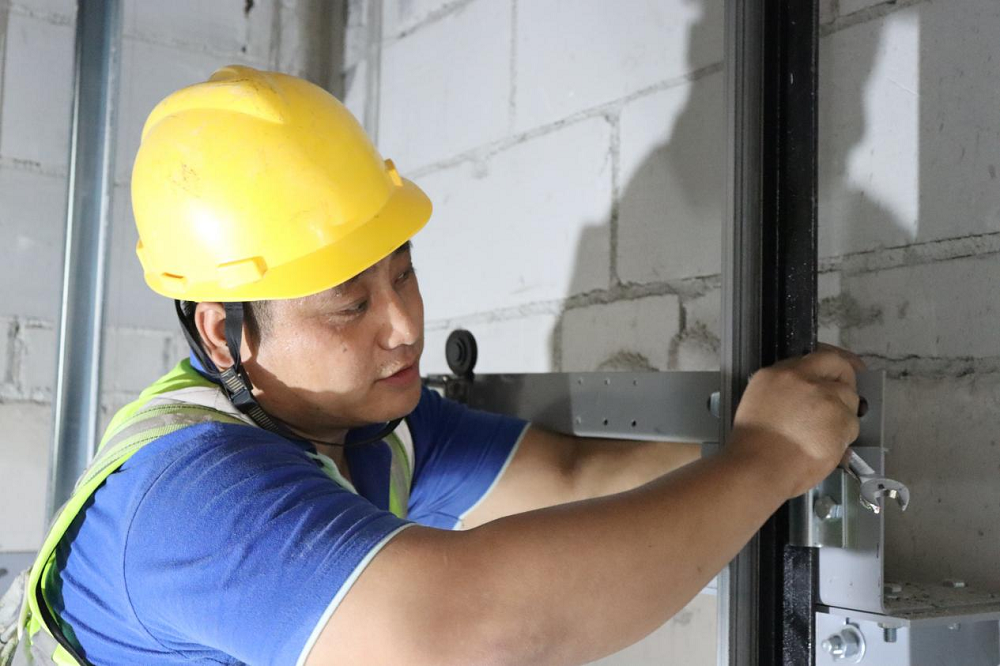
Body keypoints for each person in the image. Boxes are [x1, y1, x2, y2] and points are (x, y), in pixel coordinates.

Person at [13, 65, 862, 666]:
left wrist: (772, 440)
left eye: (404, 273)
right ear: (225, 334)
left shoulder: (362, 420)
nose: (405, 326)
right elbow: (484, 631)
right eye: (351, 304)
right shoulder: (191, 500)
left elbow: (570, 477)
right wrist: (769, 459)